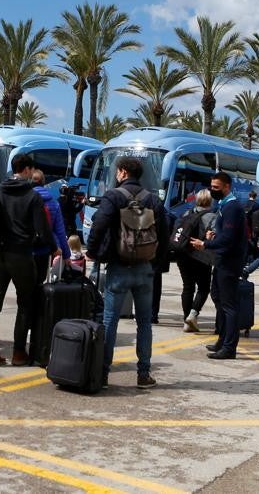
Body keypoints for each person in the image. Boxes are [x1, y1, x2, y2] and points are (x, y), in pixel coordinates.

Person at [88, 156, 167, 388]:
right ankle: (143, 374)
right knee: (144, 322)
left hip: (119, 266)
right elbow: (164, 233)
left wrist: (93, 251)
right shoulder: (152, 199)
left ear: (122, 172)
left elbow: (99, 225)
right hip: (145, 268)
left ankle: (103, 373)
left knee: (110, 320)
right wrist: (155, 265)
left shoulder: (113, 196)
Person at [0, 154, 59, 368]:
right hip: (22, 255)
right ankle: (18, 353)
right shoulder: (32, 196)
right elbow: (43, 229)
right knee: (25, 304)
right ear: (26, 170)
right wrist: (54, 248)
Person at [191, 171, 248, 360]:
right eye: (211, 187)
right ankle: (222, 340)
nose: (212, 190)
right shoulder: (223, 205)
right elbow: (225, 234)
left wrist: (205, 244)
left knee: (229, 305)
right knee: (218, 298)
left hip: (230, 262)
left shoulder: (232, 207)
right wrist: (214, 236)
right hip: (222, 260)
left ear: (227, 187)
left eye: (216, 188)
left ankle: (229, 347)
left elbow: (230, 239)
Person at [177, 189, 215, 332]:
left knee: (187, 287)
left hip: (183, 255)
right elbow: (215, 238)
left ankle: (186, 320)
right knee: (204, 288)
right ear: (210, 201)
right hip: (201, 256)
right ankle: (193, 315)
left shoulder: (186, 213)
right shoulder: (212, 216)